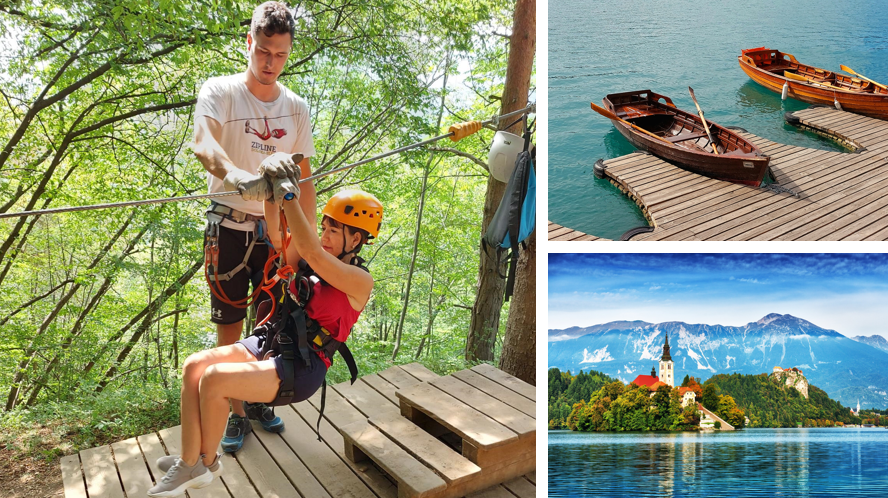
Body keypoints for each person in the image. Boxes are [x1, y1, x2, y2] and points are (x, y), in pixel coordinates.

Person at [146, 183, 382, 498]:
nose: (323, 236)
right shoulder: (312, 260)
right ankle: (191, 462)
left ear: (356, 239)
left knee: (215, 381)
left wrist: (289, 195)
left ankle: (204, 463)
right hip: (272, 341)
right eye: (323, 228)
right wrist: (272, 194)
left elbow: (310, 247)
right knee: (195, 366)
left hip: (301, 366)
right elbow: (276, 233)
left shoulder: (359, 282)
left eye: (333, 231)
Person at [192, 0, 316, 449]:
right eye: (264, 51)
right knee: (230, 319)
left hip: (277, 229)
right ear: (249, 42)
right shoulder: (221, 92)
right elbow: (204, 142)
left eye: (280, 54)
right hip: (228, 223)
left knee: (271, 319)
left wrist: (308, 243)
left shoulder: (296, 108)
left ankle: (258, 397)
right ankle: (234, 409)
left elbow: (304, 178)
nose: (270, 63)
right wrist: (239, 176)